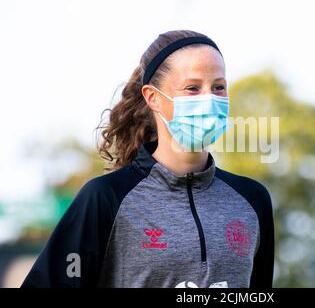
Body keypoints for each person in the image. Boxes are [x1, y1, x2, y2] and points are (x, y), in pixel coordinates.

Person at [21, 29, 274, 288]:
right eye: (192, 88)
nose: (209, 99)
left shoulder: (252, 200)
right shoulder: (105, 198)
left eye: (218, 87)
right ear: (153, 97)